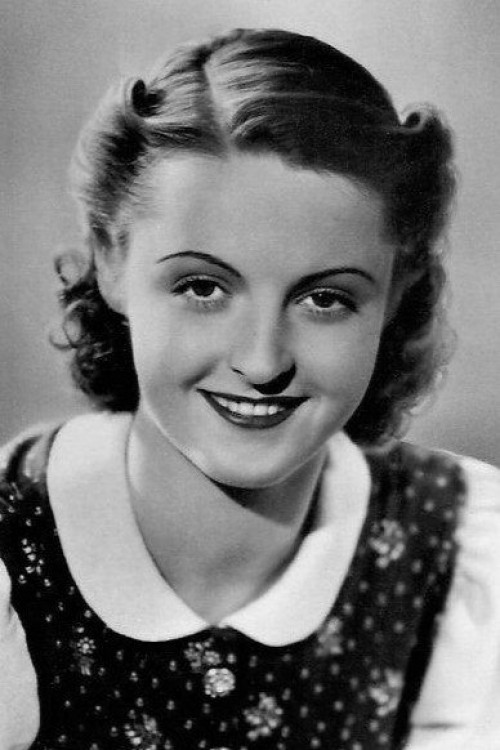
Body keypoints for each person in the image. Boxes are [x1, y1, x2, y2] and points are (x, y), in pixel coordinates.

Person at [0, 27, 499, 750]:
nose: (263, 362)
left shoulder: (468, 551)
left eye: (325, 299)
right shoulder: (14, 552)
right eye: (202, 287)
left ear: (395, 293)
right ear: (111, 261)